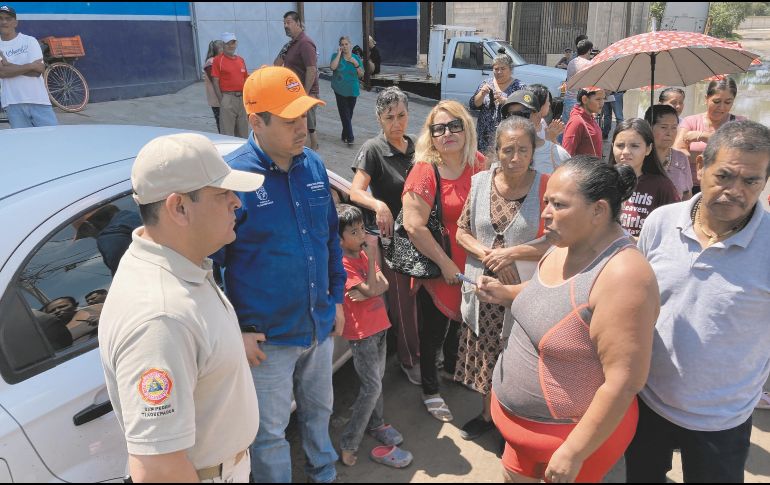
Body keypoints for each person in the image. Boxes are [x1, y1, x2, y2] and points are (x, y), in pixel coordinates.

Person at [476, 156, 660, 483]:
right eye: (547, 200)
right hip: (522, 434)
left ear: (598, 210)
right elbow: (546, 297)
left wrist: (573, 451)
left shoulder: (624, 276)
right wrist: (504, 292)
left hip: (568, 445)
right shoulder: (564, 243)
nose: (545, 212)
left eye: (558, 204)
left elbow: (624, 381)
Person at [98, 132, 264, 483]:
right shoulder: (160, 317)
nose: (237, 202)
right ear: (179, 208)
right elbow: (159, 470)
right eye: (223, 194)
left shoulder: (180, 263)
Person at [215, 65, 345, 483]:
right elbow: (211, 264)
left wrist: (336, 298)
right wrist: (238, 327)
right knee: (269, 433)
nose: (301, 127)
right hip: (266, 339)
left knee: (320, 411)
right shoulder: (233, 178)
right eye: (289, 121)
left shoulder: (314, 167)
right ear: (256, 121)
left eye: (304, 116)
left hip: (317, 325)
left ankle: (323, 474)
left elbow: (329, 238)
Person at [625, 120, 770, 483]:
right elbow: (638, 300)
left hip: (722, 420)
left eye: (751, 181)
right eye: (724, 176)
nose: (734, 191)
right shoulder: (661, 221)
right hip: (648, 401)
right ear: (701, 167)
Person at [455, 116, 550, 441]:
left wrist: (511, 254)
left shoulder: (547, 186)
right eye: (507, 150)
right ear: (496, 151)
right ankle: (487, 415)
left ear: (533, 150)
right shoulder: (481, 182)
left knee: (517, 357)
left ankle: (512, 424)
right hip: (484, 291)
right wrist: (488, 255)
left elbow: (557, 240)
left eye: (523, 150)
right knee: (486, 352)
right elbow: (462, 231)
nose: (515, 157)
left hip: (523, 292)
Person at [402, 100, 485, 422]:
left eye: (454, 126)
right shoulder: (425, 170)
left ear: (466, 129)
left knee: (460, 324)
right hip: (437, 267)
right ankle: (430, 389)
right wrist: (447, 265)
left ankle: (452, 369)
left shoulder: (478, 164)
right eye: (439, 129)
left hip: (470, 265)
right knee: (433, 332)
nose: (447, 133)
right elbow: (413, 226)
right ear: (431, 136)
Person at [349, 86, 421, 385]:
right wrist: (378, 204)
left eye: (402, 115)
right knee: (402, 302)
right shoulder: (373, 149)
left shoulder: (417, 146)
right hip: (394, 240)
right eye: (390, 117)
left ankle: (425, 350)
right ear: (380, 118)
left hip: (422, 234)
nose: (397, 123)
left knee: (421, 299)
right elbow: (354, 190)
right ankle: (408, 359)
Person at [336, 204, 413, 469]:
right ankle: (349, 443)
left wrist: (371, 289)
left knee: (376, 381)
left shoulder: (361, 255)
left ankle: (377, 424)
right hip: (362, 334)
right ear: (339, 238)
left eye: (361, 230)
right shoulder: (343, 262)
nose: (361, 236)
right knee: (372, 387)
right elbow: (372, 286)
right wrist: (371, 286)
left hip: (380, 325)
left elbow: (384, 285)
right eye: (354, 232)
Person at [608, 118, 680, 238]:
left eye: (634, 146)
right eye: (620, 145)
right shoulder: (602, 182)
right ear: (612, 146)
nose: (625, 152)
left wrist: (634, 242)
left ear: (648, 149)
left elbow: (673, 230)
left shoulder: (662, 186)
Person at [674, 77, 746, 195]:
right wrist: (721, 154)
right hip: (692, 188)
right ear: (706, 99)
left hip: (727, 188)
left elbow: (741, 155)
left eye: (728, 102)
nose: (722, 107)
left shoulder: (740, 123)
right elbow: (677, 154)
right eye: (716, 102)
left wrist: (703, 136)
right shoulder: (690, 121)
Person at [0, 5, 57, 128]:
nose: (3, 22)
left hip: (39, 101)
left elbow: (38, 71)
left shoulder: (29, 41)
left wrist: (9, 66)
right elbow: (2, 73)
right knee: (25, 145)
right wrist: (31, 65)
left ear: (15, 22)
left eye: (8, 18)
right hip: (13, 104)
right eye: (0, 18)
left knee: (52, 140)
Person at [275, 11, 320, 151]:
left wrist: (304, 94)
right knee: (300, 126)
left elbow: (312, 69)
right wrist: (284, 50)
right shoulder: (291, 45)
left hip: (305, 94)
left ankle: (311, 155)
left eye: (288, 22)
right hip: (293, 93)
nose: (285, 26)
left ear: (298, 23)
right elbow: (276, 64)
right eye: (284, 23)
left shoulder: (305, 43)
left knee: (307, 128)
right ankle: (302, 151)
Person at [469, 48, 525, 154]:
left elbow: (524, 110)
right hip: (484, 137)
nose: (499, 72)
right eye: (496, 69)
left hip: (509, 135)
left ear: (510, 69)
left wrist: (506, 101)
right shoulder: (486, 83)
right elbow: (473, 104)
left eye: (503, 69)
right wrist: (481, 94)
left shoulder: (519, 86)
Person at [501, 89, 569, 175]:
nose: (515, 121)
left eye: (522, 115)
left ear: (538, 116)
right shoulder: (500, 152)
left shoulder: (557, 154)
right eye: (510, 116)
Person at [645, 104, 693, 200]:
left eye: (674, 127)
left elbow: (687, 195)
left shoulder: (681, 158)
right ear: (649, 126)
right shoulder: (640, 156)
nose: (669, 133)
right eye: (663, 127)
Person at [211, 32, 249, 138]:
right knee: (227, 133)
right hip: (227, 98)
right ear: (223, 45)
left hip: (241, 99)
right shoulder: (218, 60)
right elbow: (215, 81)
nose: (231, 46)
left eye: (233, 43)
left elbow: (245, 79)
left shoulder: (241, 60)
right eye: (228, 44)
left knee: (243, 132)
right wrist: (222, 100)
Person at [330, 36, 363, 145]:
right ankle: (350, 138)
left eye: (346, 44)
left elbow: (361, 74)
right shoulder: (335, 56)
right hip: (339, 89)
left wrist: (356, 63)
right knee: (344, 113)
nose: (344, 46)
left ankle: (344, 134)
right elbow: (333, 67)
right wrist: (339, 54)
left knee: (349, 114)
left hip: (352, 90)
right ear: (340, 46)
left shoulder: (356, 58)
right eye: (342, 44)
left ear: (350, 45)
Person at [563, 87, 605, 157]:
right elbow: (567, 154)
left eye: (603, 98)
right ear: (584, 99)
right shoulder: (576, 122)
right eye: (598, 99)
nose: (602, 103)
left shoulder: (590, 117)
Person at [561, 39, 594, 124]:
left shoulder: (572, 62)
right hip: (579, 101)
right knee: (579, 128)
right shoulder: (588, 64)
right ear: (589, 50)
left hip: (568, 98)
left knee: (566, 126)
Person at [203, 39, 224, 133]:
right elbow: (215, 79)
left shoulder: (221, 60)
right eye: (222, 48)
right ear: (217, 50)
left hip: (224, 97)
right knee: (221, 122)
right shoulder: (210, 62)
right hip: (216, 99)